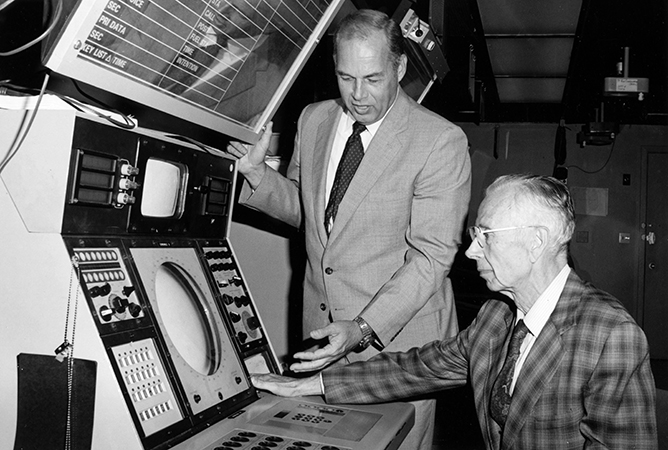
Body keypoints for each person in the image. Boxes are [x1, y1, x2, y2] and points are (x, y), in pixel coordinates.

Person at [251, 174, 658, 450]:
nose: (470, 251)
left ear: (536, 242)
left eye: (485, 236)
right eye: (472, 235)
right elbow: (414, 369)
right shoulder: (497, 317)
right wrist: (310, 385)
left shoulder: (611, 335)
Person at [226, 9, 471, 450]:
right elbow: (312, 214)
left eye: (373, 79)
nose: (358, 95)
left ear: (399, 67)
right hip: (322, 334)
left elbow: (432, 259)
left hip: (398, 345)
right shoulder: (313, 120)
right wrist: (258, 174)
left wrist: (360, 328)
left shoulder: (439, 141)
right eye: (345, 77)